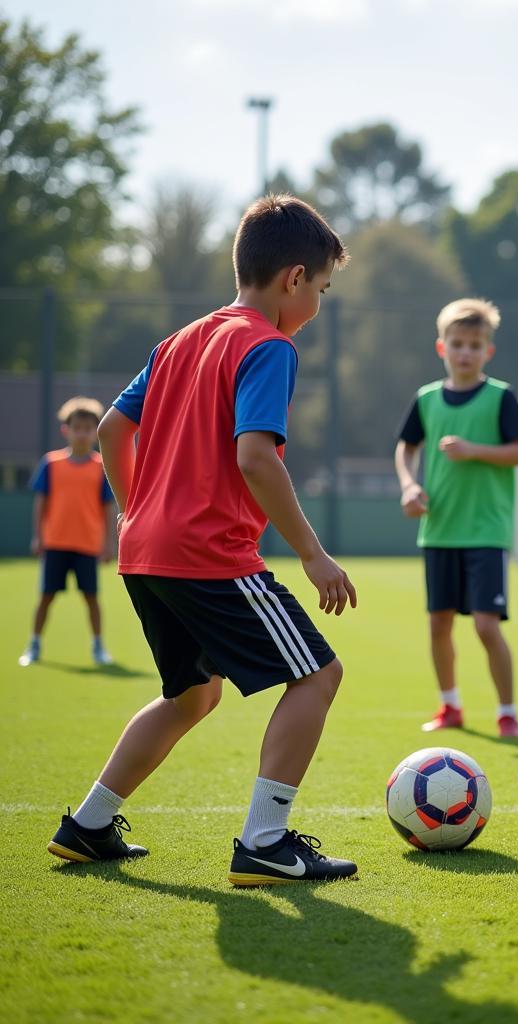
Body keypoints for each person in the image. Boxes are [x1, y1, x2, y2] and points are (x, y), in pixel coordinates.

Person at [47, 195, 361, 886]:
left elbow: (108, 432)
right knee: (318, 673)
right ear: (294, 278)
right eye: (323, 290)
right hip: (208, 555)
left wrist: (137, 511)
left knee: (191, 694)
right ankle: (266, 843)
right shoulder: (269, 346)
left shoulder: (179, 340)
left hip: (145, 552)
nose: (319, 305)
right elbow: (256, 456)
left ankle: (89, 825)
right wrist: (312, 552)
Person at [395, 298, 518, 739]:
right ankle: (449, 706)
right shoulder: (426, 399)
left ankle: (507, 711)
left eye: (475, 345)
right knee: (439, 624)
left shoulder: (500, 397)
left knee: (486, 626)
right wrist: (409, 485)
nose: (465, 352)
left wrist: (474, 450)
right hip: (438, 531)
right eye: (457, 343)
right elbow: (406, 448)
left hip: (486, 531)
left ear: (487, 351)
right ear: (442, 347)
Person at [20, 397, 116, 668]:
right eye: (78, 427)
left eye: (88, 428)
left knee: (91, 598)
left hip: (87, 545)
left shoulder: (101, 467)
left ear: (96, 431)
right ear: (67, 430)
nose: (82, 433)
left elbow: (108, 508)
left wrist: (108, 544)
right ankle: (34, 644)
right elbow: (41, 504)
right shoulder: (50, 463)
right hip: (55, 543)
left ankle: (99, 647)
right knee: (46, 597)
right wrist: (38, 536)